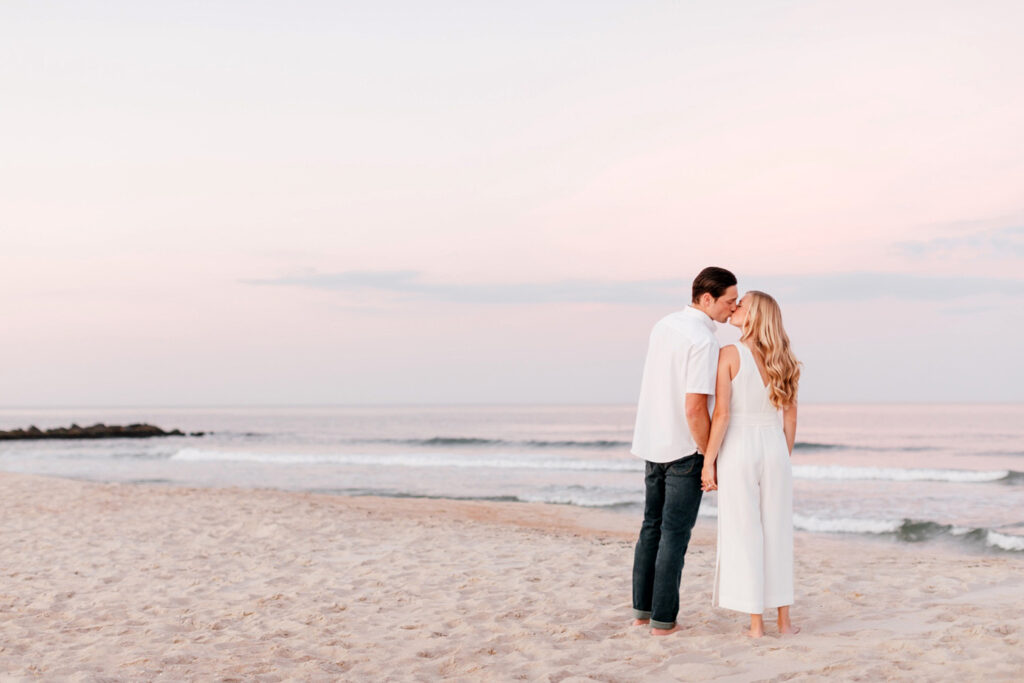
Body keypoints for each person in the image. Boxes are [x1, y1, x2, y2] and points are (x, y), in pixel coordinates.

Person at [631, 266, 738, 636]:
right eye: (729, 301)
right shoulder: (704, 341)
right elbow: (695, 408)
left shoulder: (664, 325)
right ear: (707, 299)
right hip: (683, 449)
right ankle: (663, 622)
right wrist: (709, 454)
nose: (733, 309)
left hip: (652, 441)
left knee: (651, 529)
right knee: (674, 535)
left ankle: (642, 613)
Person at [700, 291, 801, 638]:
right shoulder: (785, 359)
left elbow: (723, 414)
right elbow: (790, 418)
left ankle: (756, 626)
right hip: (774, 448)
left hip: (740, 448)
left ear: (754, 314)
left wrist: (708, 461)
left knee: (745, 531)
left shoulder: (729, 354)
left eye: (741, 304)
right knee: (777, 530)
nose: (735, 307)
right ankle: (784, 622)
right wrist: (781, 457)